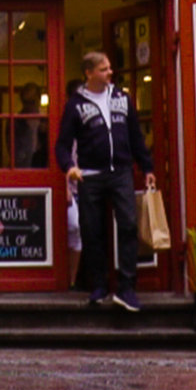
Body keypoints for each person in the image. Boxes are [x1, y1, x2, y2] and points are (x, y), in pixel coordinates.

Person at [56, 50, 155, 312]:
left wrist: (146, 166)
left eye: (110, 68)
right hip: (90, 175)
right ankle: (98, 286)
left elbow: (135, 135)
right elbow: (62, 145)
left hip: (121, 171)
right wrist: (69, 167)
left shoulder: (122, 98)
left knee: (128, 225)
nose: (110, 73)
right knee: (92, 231)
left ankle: (127, 288)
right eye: (103, 69)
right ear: (89, 73)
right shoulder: (75, 105)